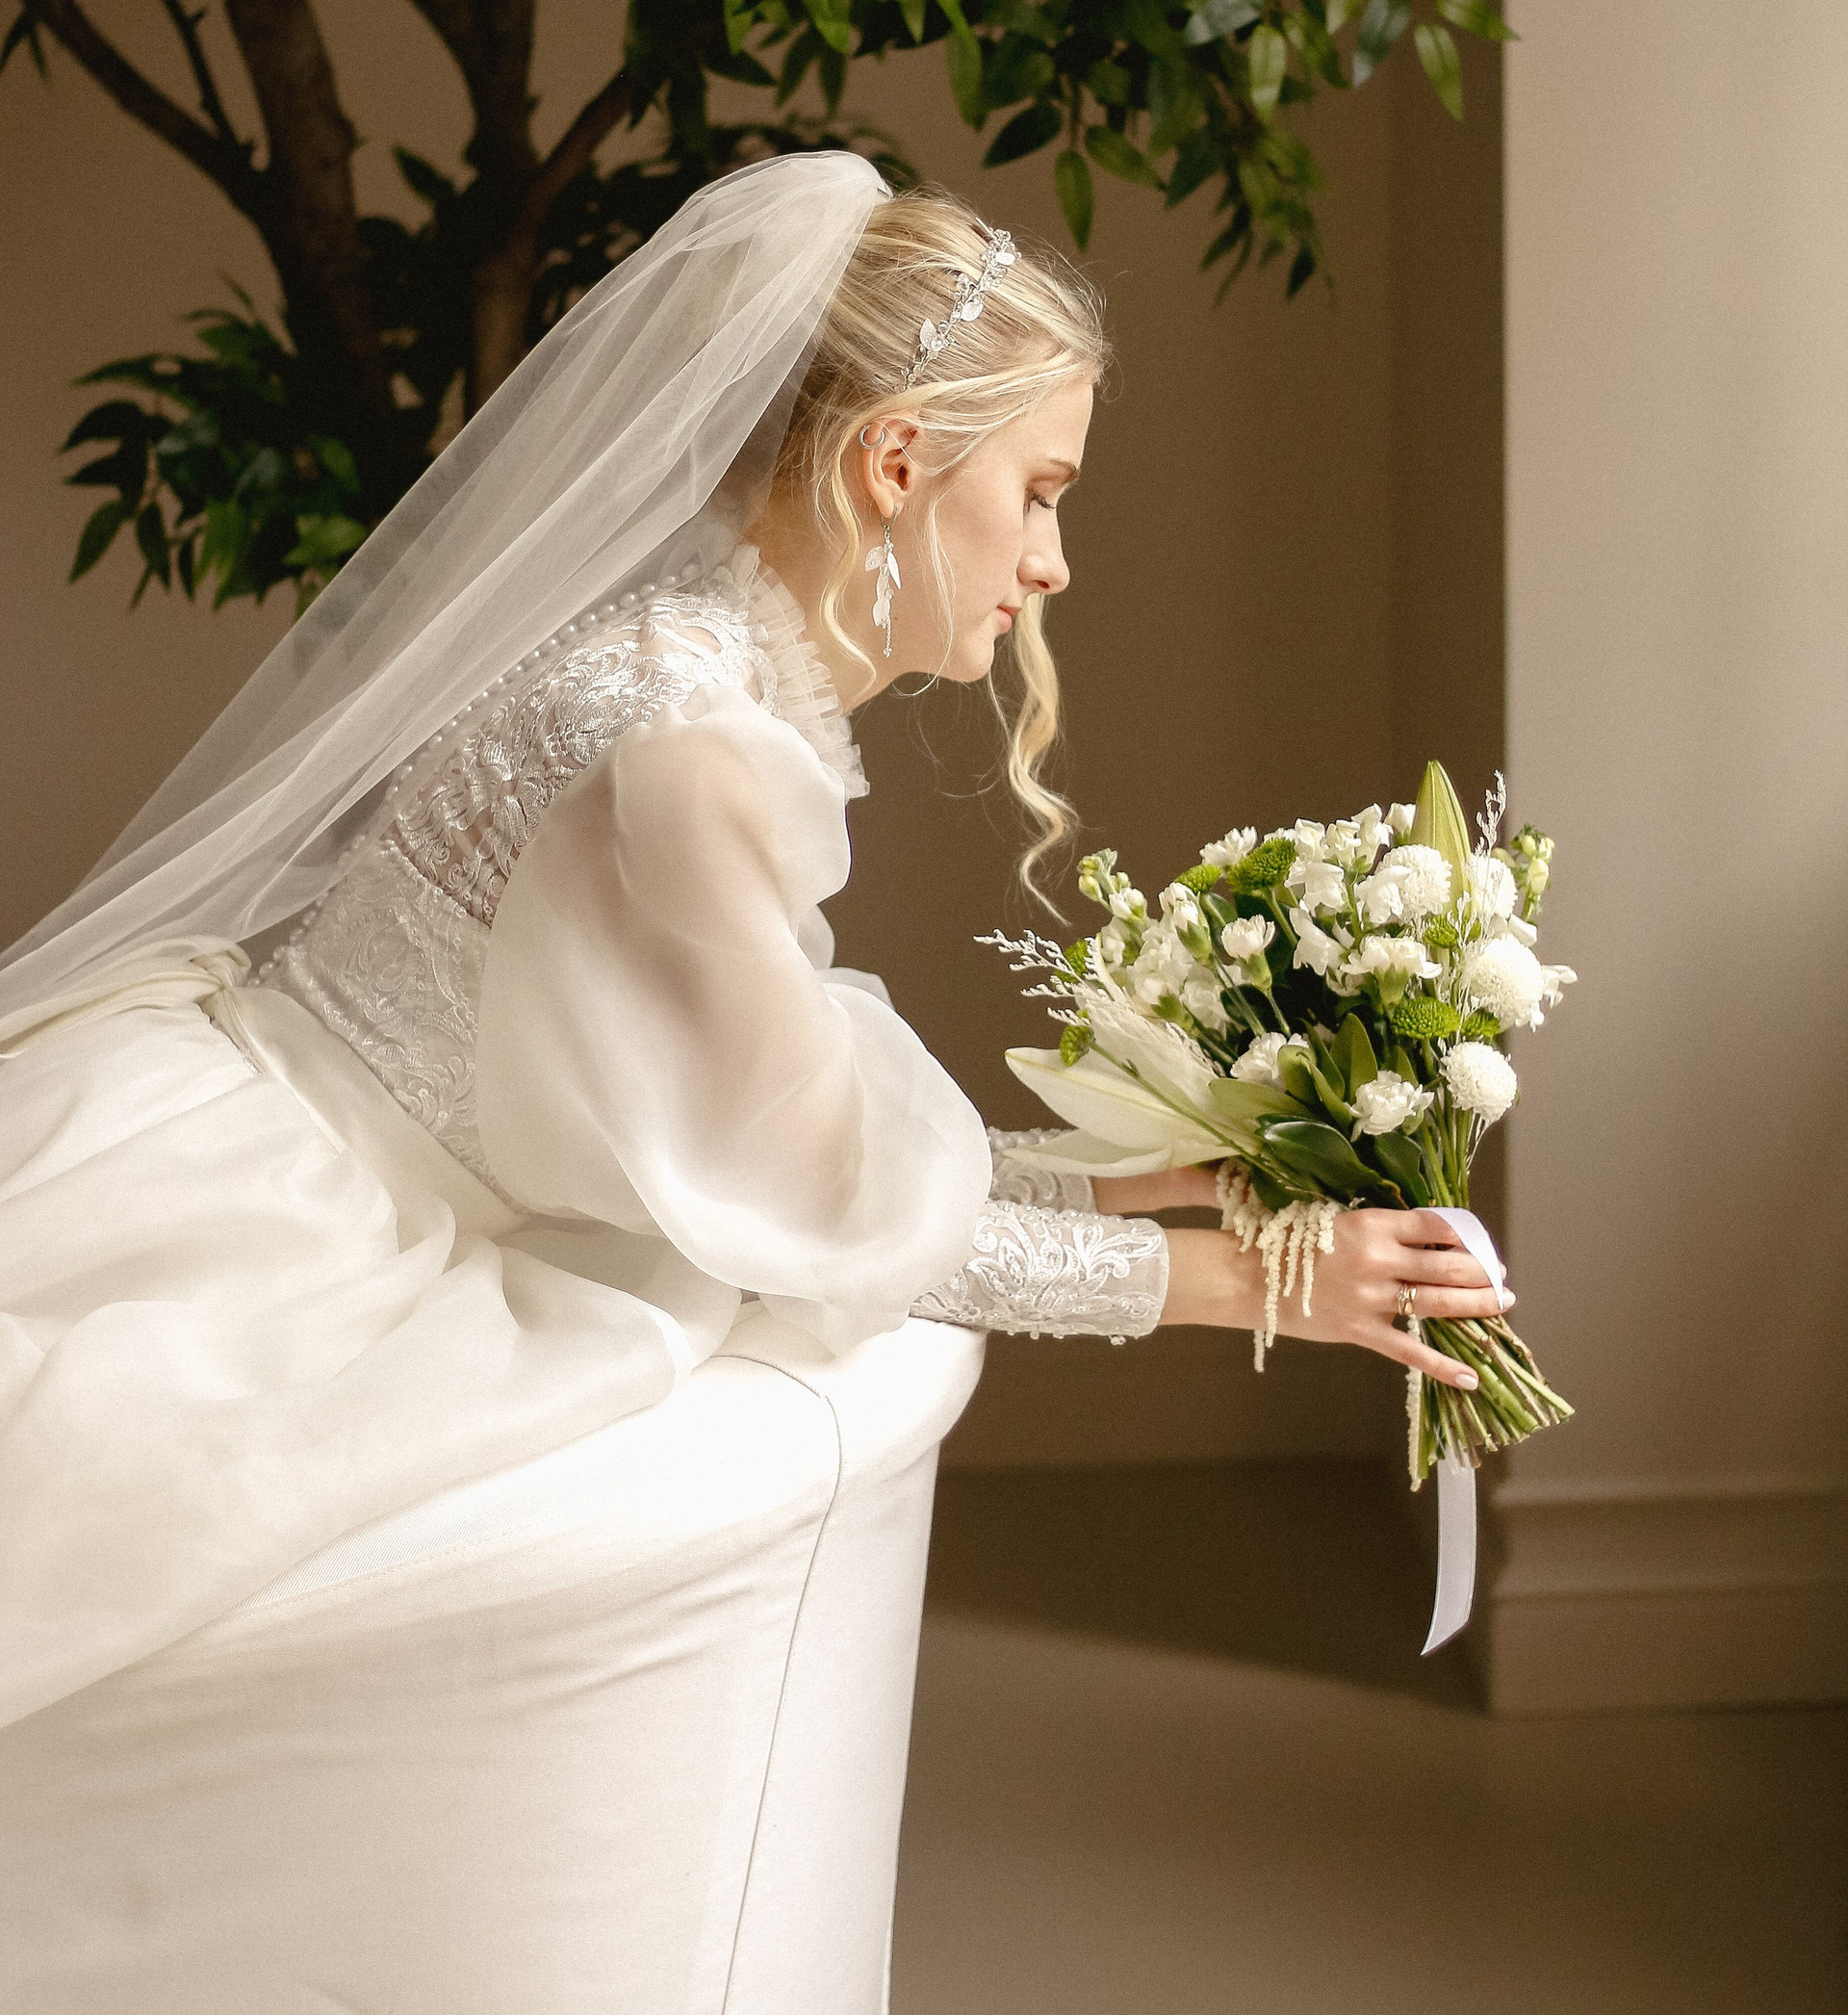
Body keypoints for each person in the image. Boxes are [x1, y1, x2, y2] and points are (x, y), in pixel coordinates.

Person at [0, 149, 1501, 2001]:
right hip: (295, 1229)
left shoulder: (687, 660)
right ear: (895, 465)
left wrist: (1106, 1184)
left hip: (219, 1107)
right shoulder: (688, 743)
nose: (1053, 562)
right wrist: (1256, 1278)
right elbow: (814, 1217)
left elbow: (771, 1126)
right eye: (1038, 493)